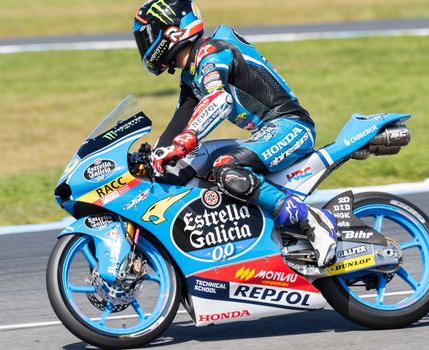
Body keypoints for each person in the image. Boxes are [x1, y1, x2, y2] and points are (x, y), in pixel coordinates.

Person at [133, 0, 337, 267]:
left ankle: (311, 220)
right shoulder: (191, 76)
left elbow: (218, 101)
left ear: (169, 32)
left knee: (225, 168)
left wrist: (184, 141)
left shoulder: (212, 52)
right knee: (187, 167)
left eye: (145, 36)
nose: (143, 45)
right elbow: (178, 127)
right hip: (265, 134)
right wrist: (152, 159)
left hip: (291, 126)